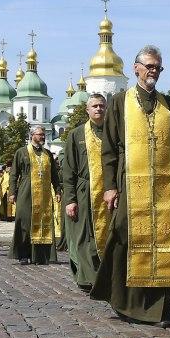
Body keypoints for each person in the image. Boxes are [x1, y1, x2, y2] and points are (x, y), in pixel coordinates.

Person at [91, 45, 170, 328]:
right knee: (125, 238)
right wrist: (110, 186)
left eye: (157, 67)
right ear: (135, 68)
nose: (153, 71)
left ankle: (157, 308)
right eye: (148, 66)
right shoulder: (120, 102)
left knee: (162, 243)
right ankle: (125, 301)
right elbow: (108, 149)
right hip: (129, 185)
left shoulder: (169, 106)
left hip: (164, 189)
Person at [61, 94, 109, 291]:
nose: (98, 109)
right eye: (94, 106)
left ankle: (105, 274)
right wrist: (70, 199)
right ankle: (87, 278)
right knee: (83, 235)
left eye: (102, 106)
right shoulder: (77, 134)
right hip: (84, 191)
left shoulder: (113, 132)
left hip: (108, 191)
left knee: (106, 234)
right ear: (87, 110)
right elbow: (69, 168)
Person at [9, 125, 61, 265]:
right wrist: (12, 192)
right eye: (39, 134)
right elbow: (14, 174)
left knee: (44, 222)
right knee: (25, 222)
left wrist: (57, 190)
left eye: (43, 135)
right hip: (26, 191)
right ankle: (23, 254)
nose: (42, 137)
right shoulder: (22, 152)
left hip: (44, 194)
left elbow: (54, 175)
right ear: (32, 135)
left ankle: (40, 256)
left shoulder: (48, 154)